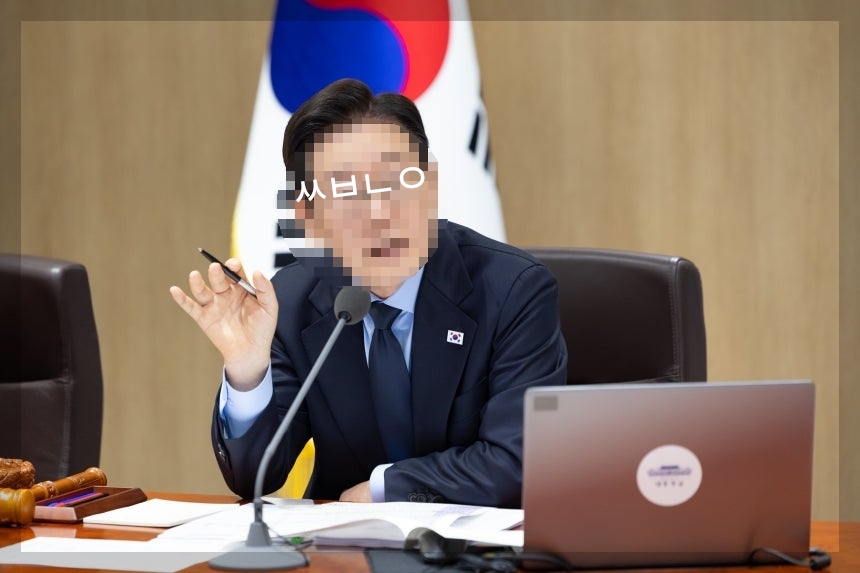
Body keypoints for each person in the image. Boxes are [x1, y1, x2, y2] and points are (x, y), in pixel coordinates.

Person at [170, 79, 567, 508]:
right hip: (340, 544)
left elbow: (516, 461)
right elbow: (254, 476)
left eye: (397, 182)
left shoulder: (512, 291)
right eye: (347, 193)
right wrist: (248, 371)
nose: (380, 214)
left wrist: (385, 488)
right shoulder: (293, 302)